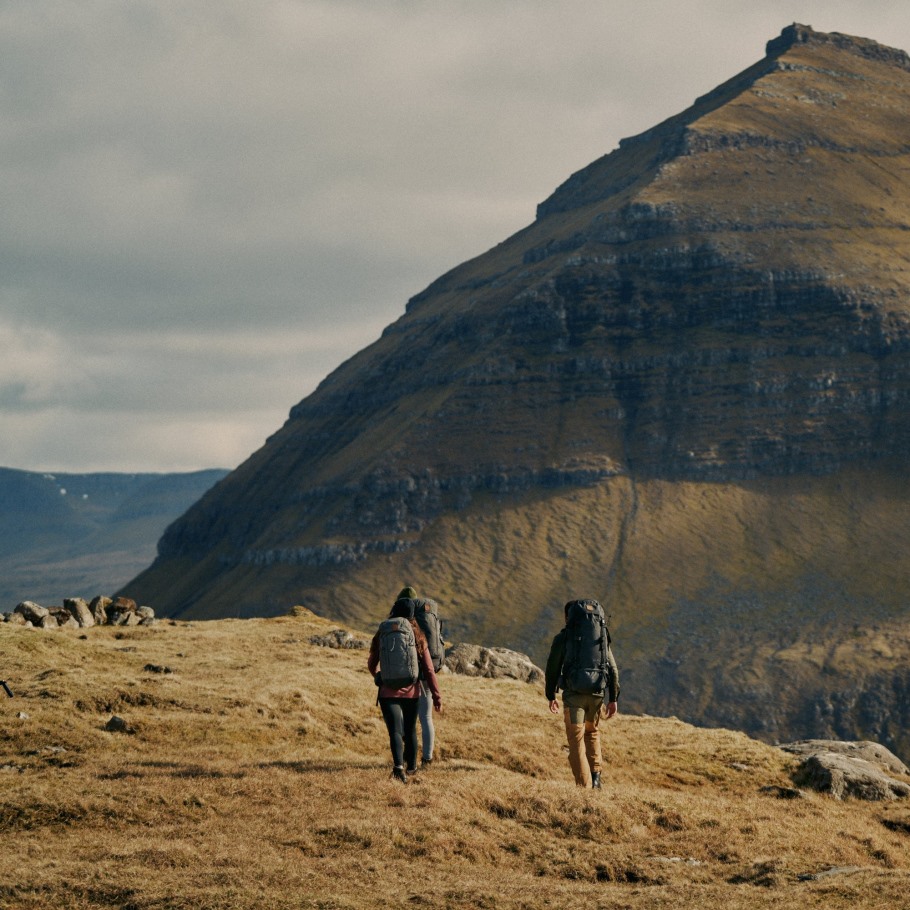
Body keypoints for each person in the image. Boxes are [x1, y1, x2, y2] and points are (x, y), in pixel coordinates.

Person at [545, 599, 620, 788]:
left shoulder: (564, 637)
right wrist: (613, 698)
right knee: (592, 733)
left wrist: (551, 695)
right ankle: (596, 780)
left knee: (576, 740)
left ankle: (584, 789)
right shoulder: (600, 637)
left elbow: (552, 667)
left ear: (567, 617)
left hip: (574, 696)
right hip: (596, 694)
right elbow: (613, 668)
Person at [369, 596, 442, 783]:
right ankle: (412, 768)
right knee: (410, 731)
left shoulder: (383, 631)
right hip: (412, 692)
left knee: (395, 731)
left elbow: (371, 663)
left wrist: (378, 675)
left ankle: (398, 769)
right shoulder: (418, 635)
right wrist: (436, 696)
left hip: (387, 692)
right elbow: (428, 669)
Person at [390, 586, 442, 767]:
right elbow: (428, 667)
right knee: (426, 718)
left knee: (406, 720)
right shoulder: (422, 629)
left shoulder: (400, 627)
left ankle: (406, 758)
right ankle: (427, 759)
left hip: (407, 678)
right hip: (425, 679)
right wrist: (436, 695)